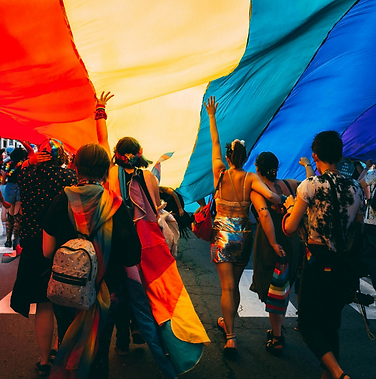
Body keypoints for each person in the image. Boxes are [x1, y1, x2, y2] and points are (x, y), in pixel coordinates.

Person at [96, 91, 210, 376]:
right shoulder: (148, 177)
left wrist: (101, 110)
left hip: (120, 243)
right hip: (151, 246)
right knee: (163, 300)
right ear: (138, 153)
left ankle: (123, 341)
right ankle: (173, 354)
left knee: (122, 295)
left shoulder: (110, 174)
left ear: (117, 155)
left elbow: (101, 142)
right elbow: (155, 207)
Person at [42, 143, 141, 379]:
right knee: (99, 353)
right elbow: (131, 257)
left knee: (69, 344)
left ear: (76, 169)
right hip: (106, 294)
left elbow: (47, 251)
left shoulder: (61, 201)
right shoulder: (117, 207)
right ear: (106, 171)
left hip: (67, 291)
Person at [204, 96, 283, 356]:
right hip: (244, 234)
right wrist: (283, 200)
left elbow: (215, 142)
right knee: (234, 286)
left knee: (225, 288)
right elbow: (271, 197)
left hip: (222, 234)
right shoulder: (250, 178)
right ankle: (228, 323)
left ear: (228, 156)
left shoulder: (220, 173)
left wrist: (212, 116)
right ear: (246, 156)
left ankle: (230, 336)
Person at [283, 131, 363, 379]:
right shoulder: (356, 188)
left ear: (315, 156)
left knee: (308, 325)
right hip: (343, 266)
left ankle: (339, 373)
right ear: (340, 156)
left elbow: (290, 228)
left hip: (317, 264)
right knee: (331, 326)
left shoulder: (310, 186)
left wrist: (288, 209)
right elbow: (358, 229)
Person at [10, 139, 77, 376]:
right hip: (63, 247)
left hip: (34, 246)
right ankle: (60, 350)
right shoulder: (68, 178)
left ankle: (44, 360)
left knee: (44, 304)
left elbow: (11, 172)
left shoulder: (26, 175)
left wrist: (29, 160)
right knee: (65, 301)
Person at [250, 152, 311, 355]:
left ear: (258, 169)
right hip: (293, 241)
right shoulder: (292, 184)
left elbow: (265, 215)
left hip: (271, 243)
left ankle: (277, 337)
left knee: (274, 289)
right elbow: (311, 185)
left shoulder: (259, 191)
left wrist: (274, 243)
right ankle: (277, 329)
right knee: (283, 287)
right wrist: (307, 165)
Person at [1, 147, 27, 248]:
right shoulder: (24, 164)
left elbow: (3, 180)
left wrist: (6, 182)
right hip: (20, 188)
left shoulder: (7, 164)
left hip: (10, 187)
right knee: (17, 216)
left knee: (10, 215)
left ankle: (8, 240)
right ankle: (16, 241)